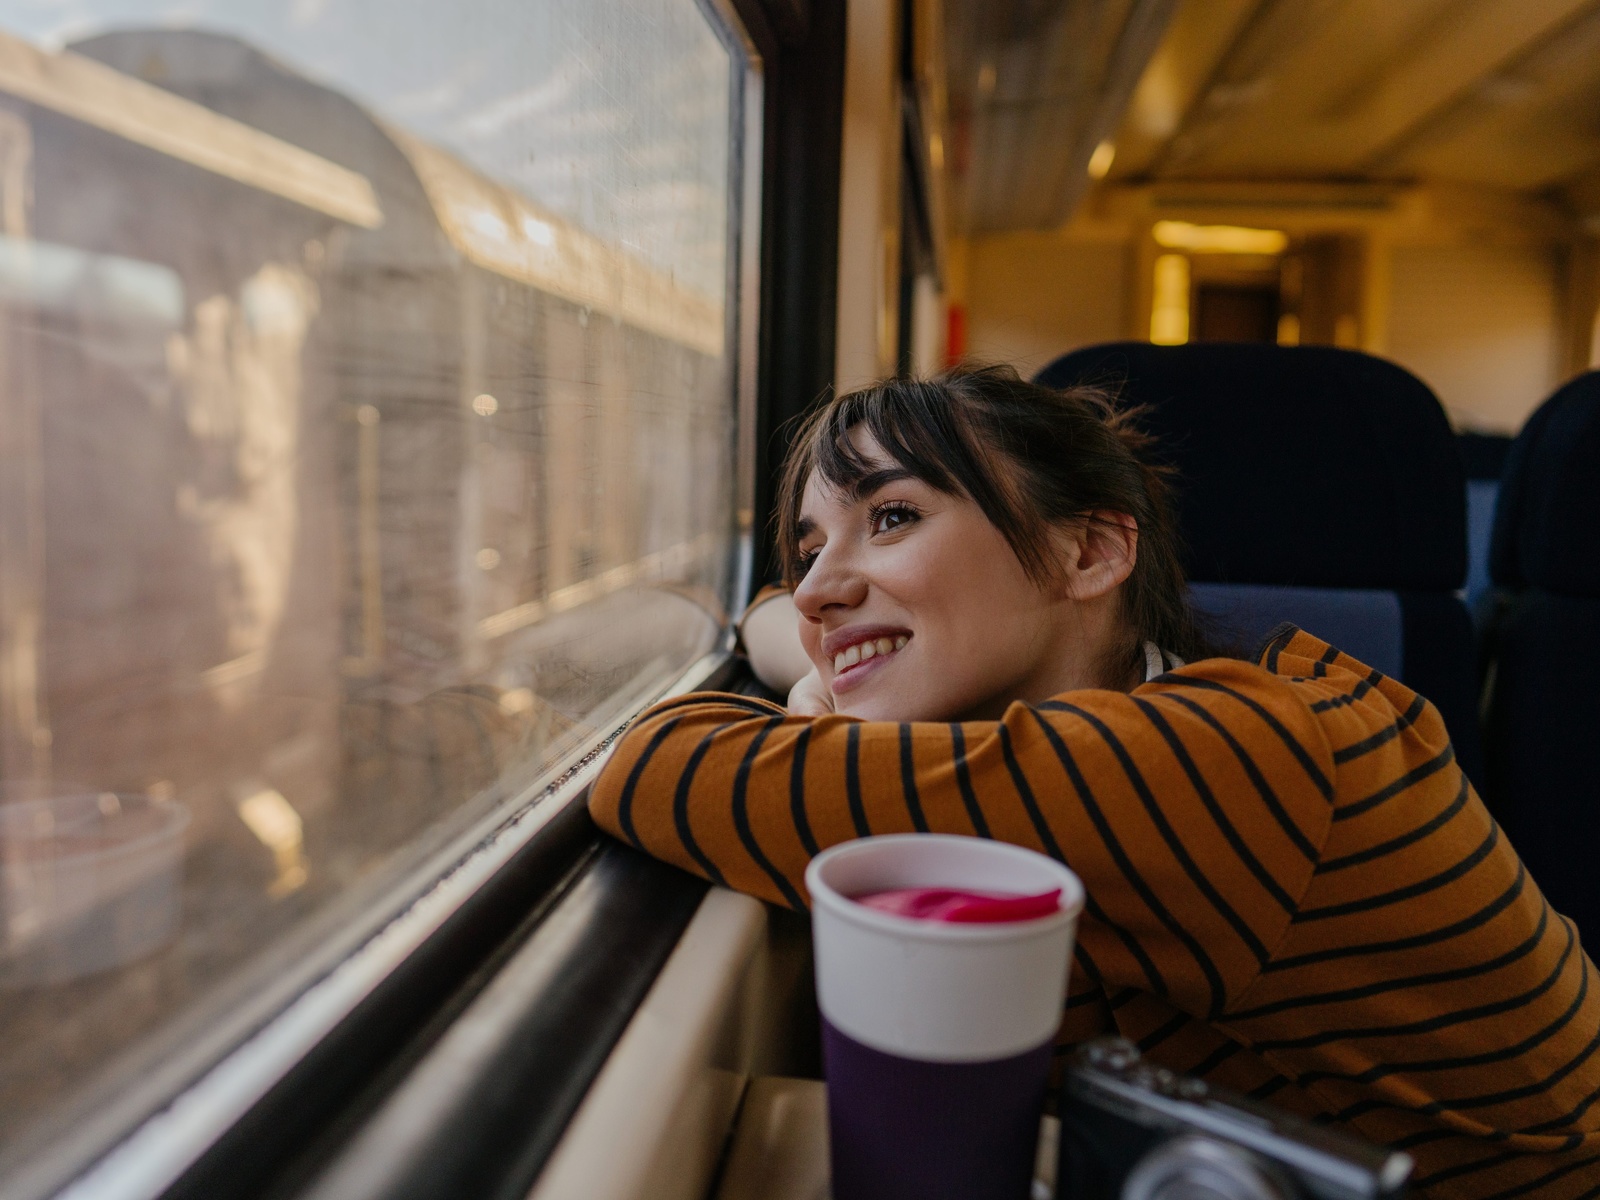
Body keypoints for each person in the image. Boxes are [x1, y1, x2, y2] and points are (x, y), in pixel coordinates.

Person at [589, 365, 1600, 1197]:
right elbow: (777, 609)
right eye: (812, 546)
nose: (817, 586)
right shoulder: (1067, 747)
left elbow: (655, 766)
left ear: (1089, 551)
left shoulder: (1231, 757)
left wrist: (818, 686)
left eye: (891, 516)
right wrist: (818, 661)